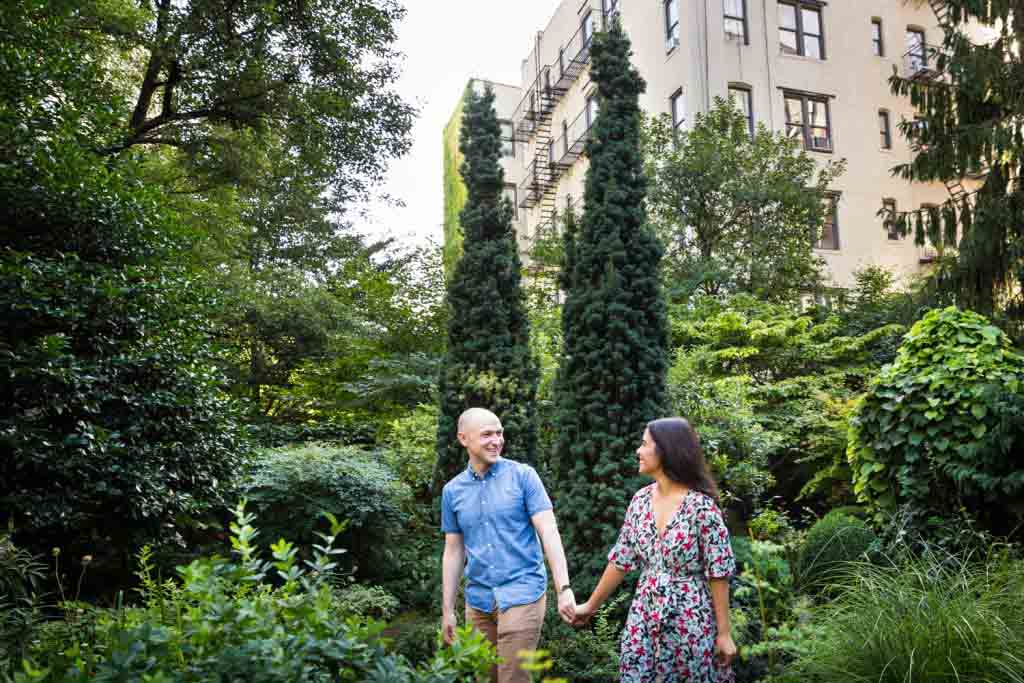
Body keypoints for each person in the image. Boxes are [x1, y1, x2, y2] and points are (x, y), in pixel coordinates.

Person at [574, 417, 737, 683]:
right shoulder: (639, 501)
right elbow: (621, 560)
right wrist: (590, 606)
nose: (638, 451)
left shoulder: (701, 507)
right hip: (645, 613)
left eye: (644, 444)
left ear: (666, 450)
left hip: (691, 617)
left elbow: (718, 572)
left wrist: (724, 633)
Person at [440, 407, 576, 683]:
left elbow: (549, 531)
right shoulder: (452, 491)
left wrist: (563, 588)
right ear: (463, 439)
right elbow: (454, 551)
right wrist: (448, 611)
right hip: (477, 602)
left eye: (500, 433)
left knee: (513, 678)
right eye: (487, 434)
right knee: (482, 678)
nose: (497, 440)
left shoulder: (523, 476)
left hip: (522, 594)